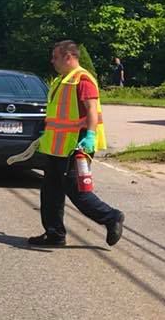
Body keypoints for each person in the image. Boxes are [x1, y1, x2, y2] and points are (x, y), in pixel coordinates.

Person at [28, 40, 125, 248]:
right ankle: (54, 233)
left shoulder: (82, 79)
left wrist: (89, 136)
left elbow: (91, 110)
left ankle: (111, 217)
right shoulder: (60, 80)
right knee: (51, 192)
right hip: (56, 147)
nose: (51, 61)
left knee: (77, 191)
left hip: (76, 146)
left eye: (55, 57)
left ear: (68, 57)